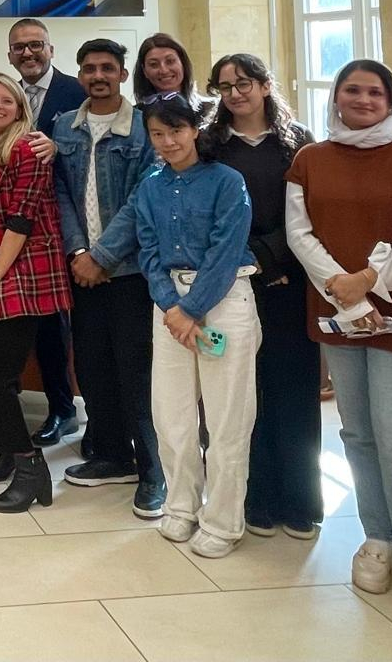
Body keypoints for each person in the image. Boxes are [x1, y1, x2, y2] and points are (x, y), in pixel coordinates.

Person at [286, 59, 392, 620]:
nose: (363, 99)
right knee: (358, 434)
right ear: (336, 97)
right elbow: (299, 233)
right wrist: (346, 295)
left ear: (391, 99)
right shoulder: (310, 158)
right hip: (338, 315)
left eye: (375, 92)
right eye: (352, 89)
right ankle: (378, 537)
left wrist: (370, 280)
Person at [134, 95, 260, 559]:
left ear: (195, 130)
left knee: (227, 420)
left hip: (225, 300)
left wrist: (192, 308)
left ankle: (223, 522)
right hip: (168, 305)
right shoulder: (150, 186)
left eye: (177, 131)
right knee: (171, 415)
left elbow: (227, 250)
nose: (168, 142)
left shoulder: (227, 181)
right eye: (158, 134)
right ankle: (181, 504)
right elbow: (148, 250)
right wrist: (173, 307)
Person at [203, 54, 319, 540]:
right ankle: (255, 498)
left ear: (266, 85)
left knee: (292, 389)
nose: (235, 94)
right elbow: (205, 214)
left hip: (290, 280)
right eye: (224, 86)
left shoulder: (299, 143)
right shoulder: (209, 145)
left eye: (244, 83)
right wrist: (248, 263)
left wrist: (273, 262)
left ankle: (300, 500)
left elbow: (312, 214)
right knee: (241, 394)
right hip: (230, 284)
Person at [54, 39, 164, 520]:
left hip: (130, 271)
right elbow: (59, 194)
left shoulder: (143, 127)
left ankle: (154, 471)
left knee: (137, 372)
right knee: (93, 367)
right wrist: (79, 253)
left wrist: (102, 256)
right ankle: (112, 456)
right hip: (81, 272)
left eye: (107, 68)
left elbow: (143, 198)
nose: (98, 76)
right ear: (80, 75)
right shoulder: (65, 126)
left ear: (122, 74)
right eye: (89, 68)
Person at [0, 73, 72, 513]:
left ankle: (29, 466)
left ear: (20, 107)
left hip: (25, 270)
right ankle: (5, 448)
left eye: (7, 100)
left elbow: (21, 222)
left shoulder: (28, 149)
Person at [8, 18, 87, 447]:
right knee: (28, 322)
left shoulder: (77, 92)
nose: (28, 53)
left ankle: (64, 408)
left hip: (66, 224)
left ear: (51, 49)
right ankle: (12, 401)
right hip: (15, 227)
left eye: (36, 44)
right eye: (20, 47)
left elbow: (92, 150)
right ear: (10, 55)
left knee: (60, 323)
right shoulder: (3, 94)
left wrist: (59, 149)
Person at [134, 33, 201, 106]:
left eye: (170, 61)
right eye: (154, 64)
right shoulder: (136, 112)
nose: (164, 70)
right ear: (144, 71)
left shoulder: (208, 110)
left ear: (183, 63)